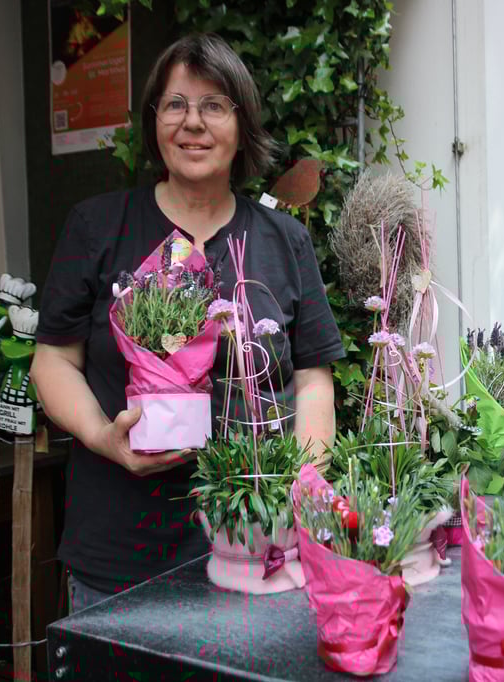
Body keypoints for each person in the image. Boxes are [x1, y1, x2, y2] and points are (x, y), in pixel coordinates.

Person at [31, 34, 344, 612]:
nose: (192, 122)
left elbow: (312, 379)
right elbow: (52, 360)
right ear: (154, 121)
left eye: (214, 105)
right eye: (175, 104)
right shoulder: (98, 227)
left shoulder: (284, 240)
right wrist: (102, 436)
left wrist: (297, 491)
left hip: (258, 550)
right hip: (121, 555)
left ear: (242, 125)